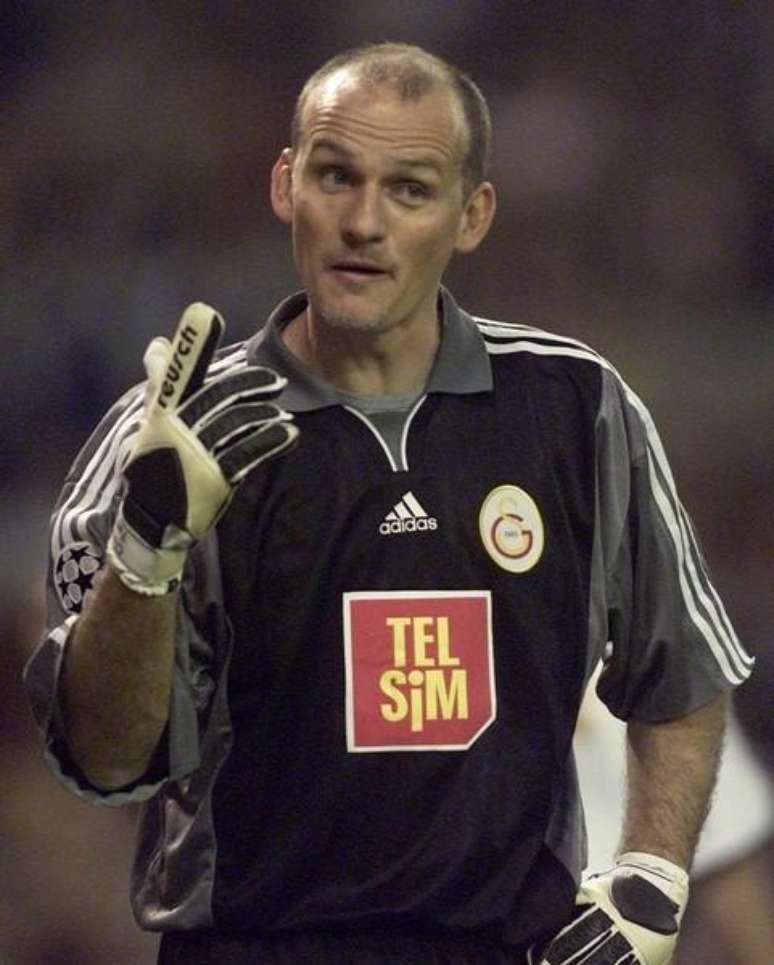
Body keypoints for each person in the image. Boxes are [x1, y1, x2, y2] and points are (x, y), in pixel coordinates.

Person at [24, 42, 755, 965]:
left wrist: (651, 878)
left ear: (471, 214)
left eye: (409, 189)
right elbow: (105, 757)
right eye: (336, 176)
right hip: (254, 946)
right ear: (286, 185)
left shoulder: (578, 407)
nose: (363, 221)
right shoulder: (172, 433)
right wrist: (148, 542)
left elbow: (681, 672)